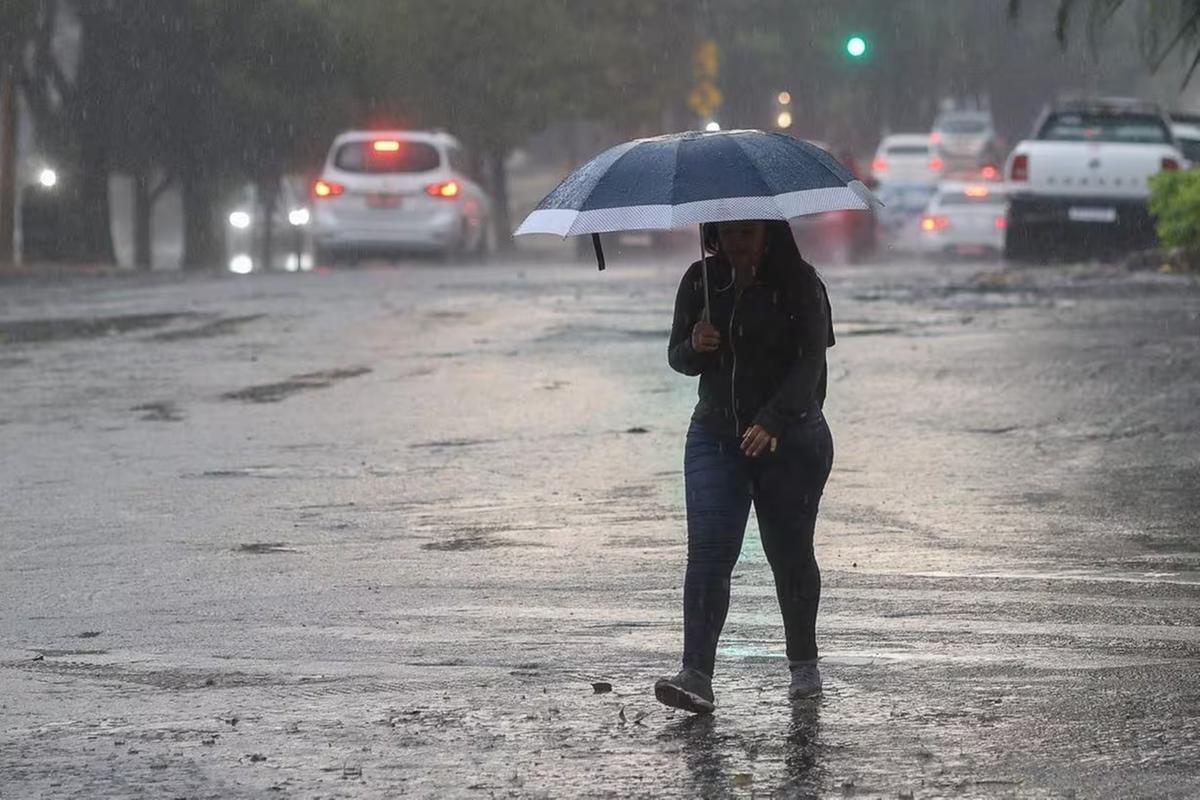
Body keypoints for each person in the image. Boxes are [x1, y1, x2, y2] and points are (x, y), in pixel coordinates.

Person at [654, 219, 835, 715]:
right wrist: (696, 344)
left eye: (747, 233)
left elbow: (811, 364)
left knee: (789, 553)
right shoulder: (700, 281)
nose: (736, 243)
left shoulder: (801, 284)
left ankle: (803, 664)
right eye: (727, 232)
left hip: (793, 441)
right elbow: (677, 357)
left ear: (769, 233)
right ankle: (696, 674)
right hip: (716, 437)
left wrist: (775, 419)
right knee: (709, 553)